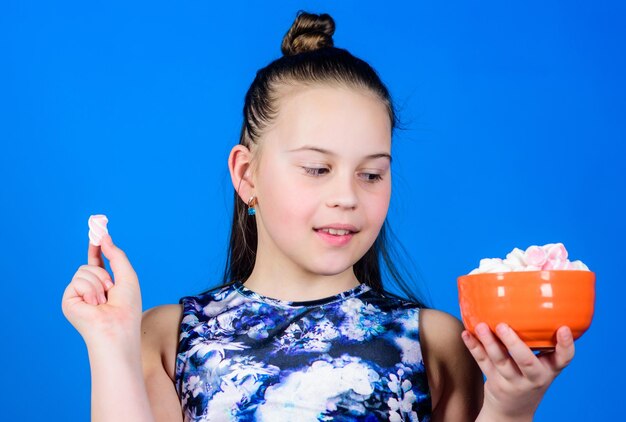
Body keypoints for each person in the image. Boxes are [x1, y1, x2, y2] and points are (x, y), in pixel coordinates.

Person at [62, 11, 575, 422]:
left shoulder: (435, 342)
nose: (347, 197)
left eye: (371, 174)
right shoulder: (168, 338)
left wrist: (511, 405)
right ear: (247, 176)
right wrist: (110, 343)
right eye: (316, 168)